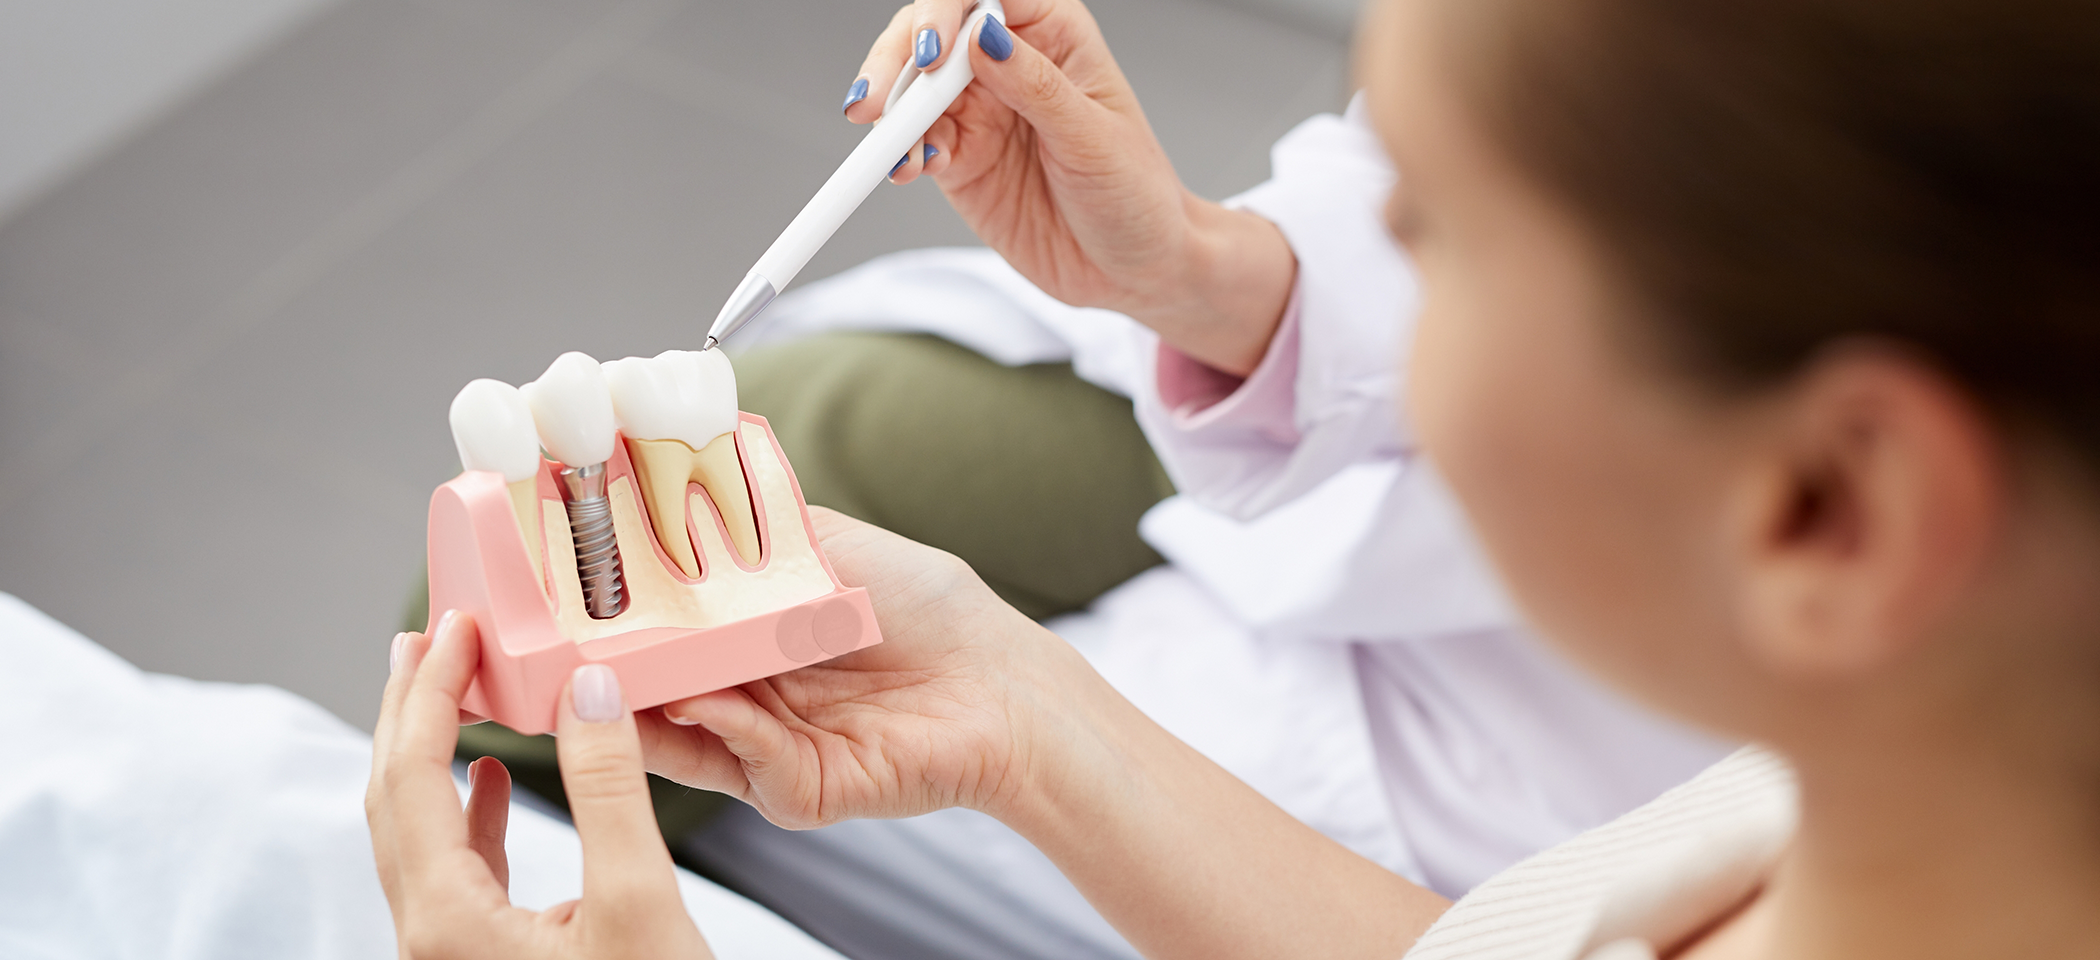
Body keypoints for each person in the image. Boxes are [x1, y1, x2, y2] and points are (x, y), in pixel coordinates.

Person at [368, 0, 2100, 956]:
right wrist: (1023, 712)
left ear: (1829, 511)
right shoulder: (1873, 835)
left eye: (1429, 230)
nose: (1378, 273)